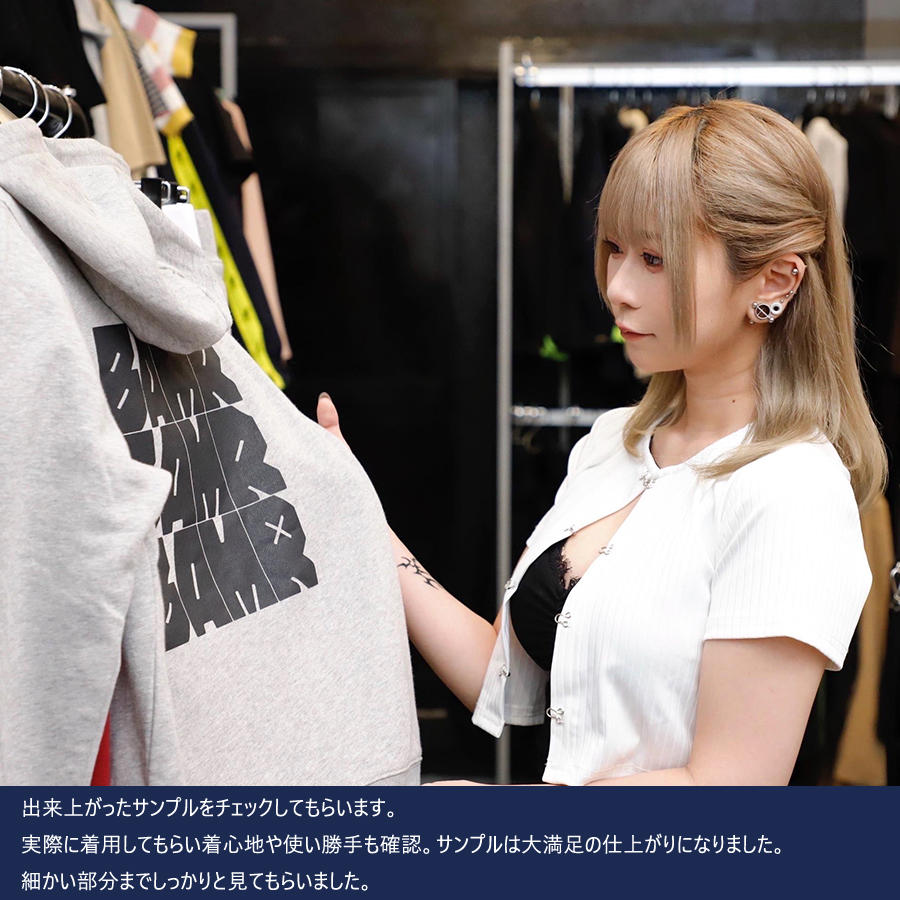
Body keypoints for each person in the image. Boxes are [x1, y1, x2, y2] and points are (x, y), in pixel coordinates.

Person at [316, 97, 887, 786]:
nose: (617, 288)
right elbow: (500, 670)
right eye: (614, 249)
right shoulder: (613, 441)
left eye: (655, 259)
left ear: (774, 279)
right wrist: (359, 515)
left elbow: (726, 792)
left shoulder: (792, 490)